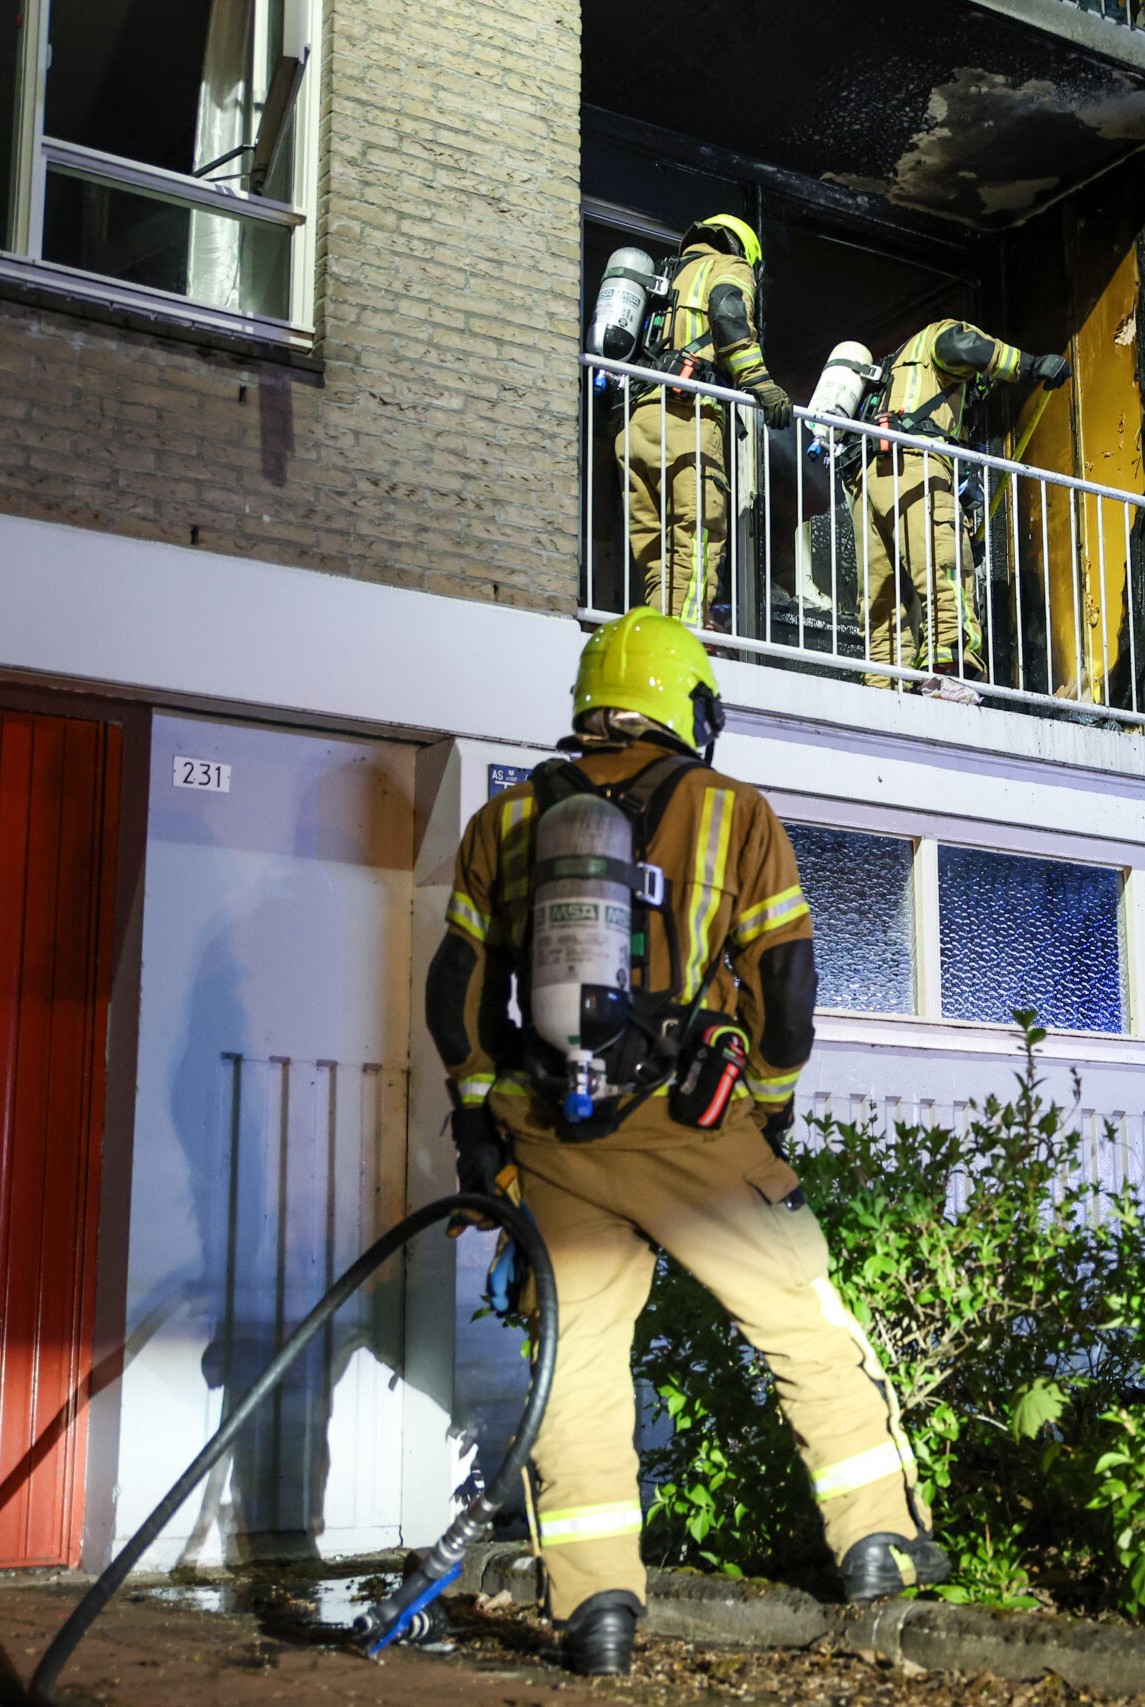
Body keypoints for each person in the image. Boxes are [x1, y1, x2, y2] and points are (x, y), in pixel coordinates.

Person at [425, 608, 945, 1677]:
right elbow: (787, 987)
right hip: (695, 1126)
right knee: (803, 1327)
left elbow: (458, 989)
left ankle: (597, 1609)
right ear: (685, 703)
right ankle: (877, 1546)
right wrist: (766, 1103)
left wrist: (482, 1118)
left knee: (575, 1366)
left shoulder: (506, 820)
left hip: (553, 1134)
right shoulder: (730, 813)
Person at [859, 320, 1070, 698]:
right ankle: (949, 671)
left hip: (869, 478)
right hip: (913, 463)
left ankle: (882, 689)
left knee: (887, 603)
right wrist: (1032, 364)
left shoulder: (895, 370)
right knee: (946, 565)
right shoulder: (938, 336)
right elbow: (962, 346)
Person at [623, 214, 793, 629]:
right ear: (743, 250)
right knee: (698, 529)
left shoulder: (666, 277)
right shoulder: (729, 267)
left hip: (638, 421)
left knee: (655, 548)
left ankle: (661, 626)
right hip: (688, 417)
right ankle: (686, 631)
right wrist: (762, 384)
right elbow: (729, 316)